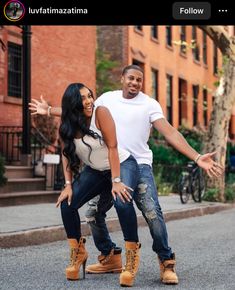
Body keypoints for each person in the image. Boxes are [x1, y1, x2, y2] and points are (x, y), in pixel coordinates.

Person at [29, 65, 223, 285]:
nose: (135, 83)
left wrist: (197, 157)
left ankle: (166, 260)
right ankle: (110, 256)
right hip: (105, 166)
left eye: (139, 80)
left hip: (136, 164)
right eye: (131, 78)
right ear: (122, 78)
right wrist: (50, 110)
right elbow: (78, 109)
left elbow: (169, 132)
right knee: (92, 212)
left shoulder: (149, 104)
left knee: (150, 211)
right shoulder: (106, 99)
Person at [43, 82, 142, 287]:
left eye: (89, 96)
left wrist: (116, 181)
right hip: (95, 171)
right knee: (67, 203)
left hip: (122, 164)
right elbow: (66, 156)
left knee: (122, 201)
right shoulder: (68, 124)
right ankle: (78, 253)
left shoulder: (101, 113)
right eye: (83, 98)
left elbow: (113, 148)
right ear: (74, 103)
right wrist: (68, 184)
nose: (88, 101)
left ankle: (131, 258)